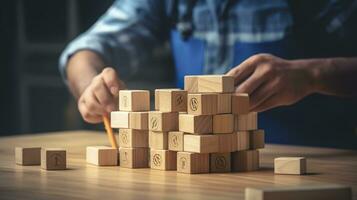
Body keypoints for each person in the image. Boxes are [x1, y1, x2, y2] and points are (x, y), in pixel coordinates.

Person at [59, 0, 357, 148]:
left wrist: (314, 74)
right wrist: (91, 85)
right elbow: (86, 50)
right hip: (194, 176)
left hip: (306, 168)